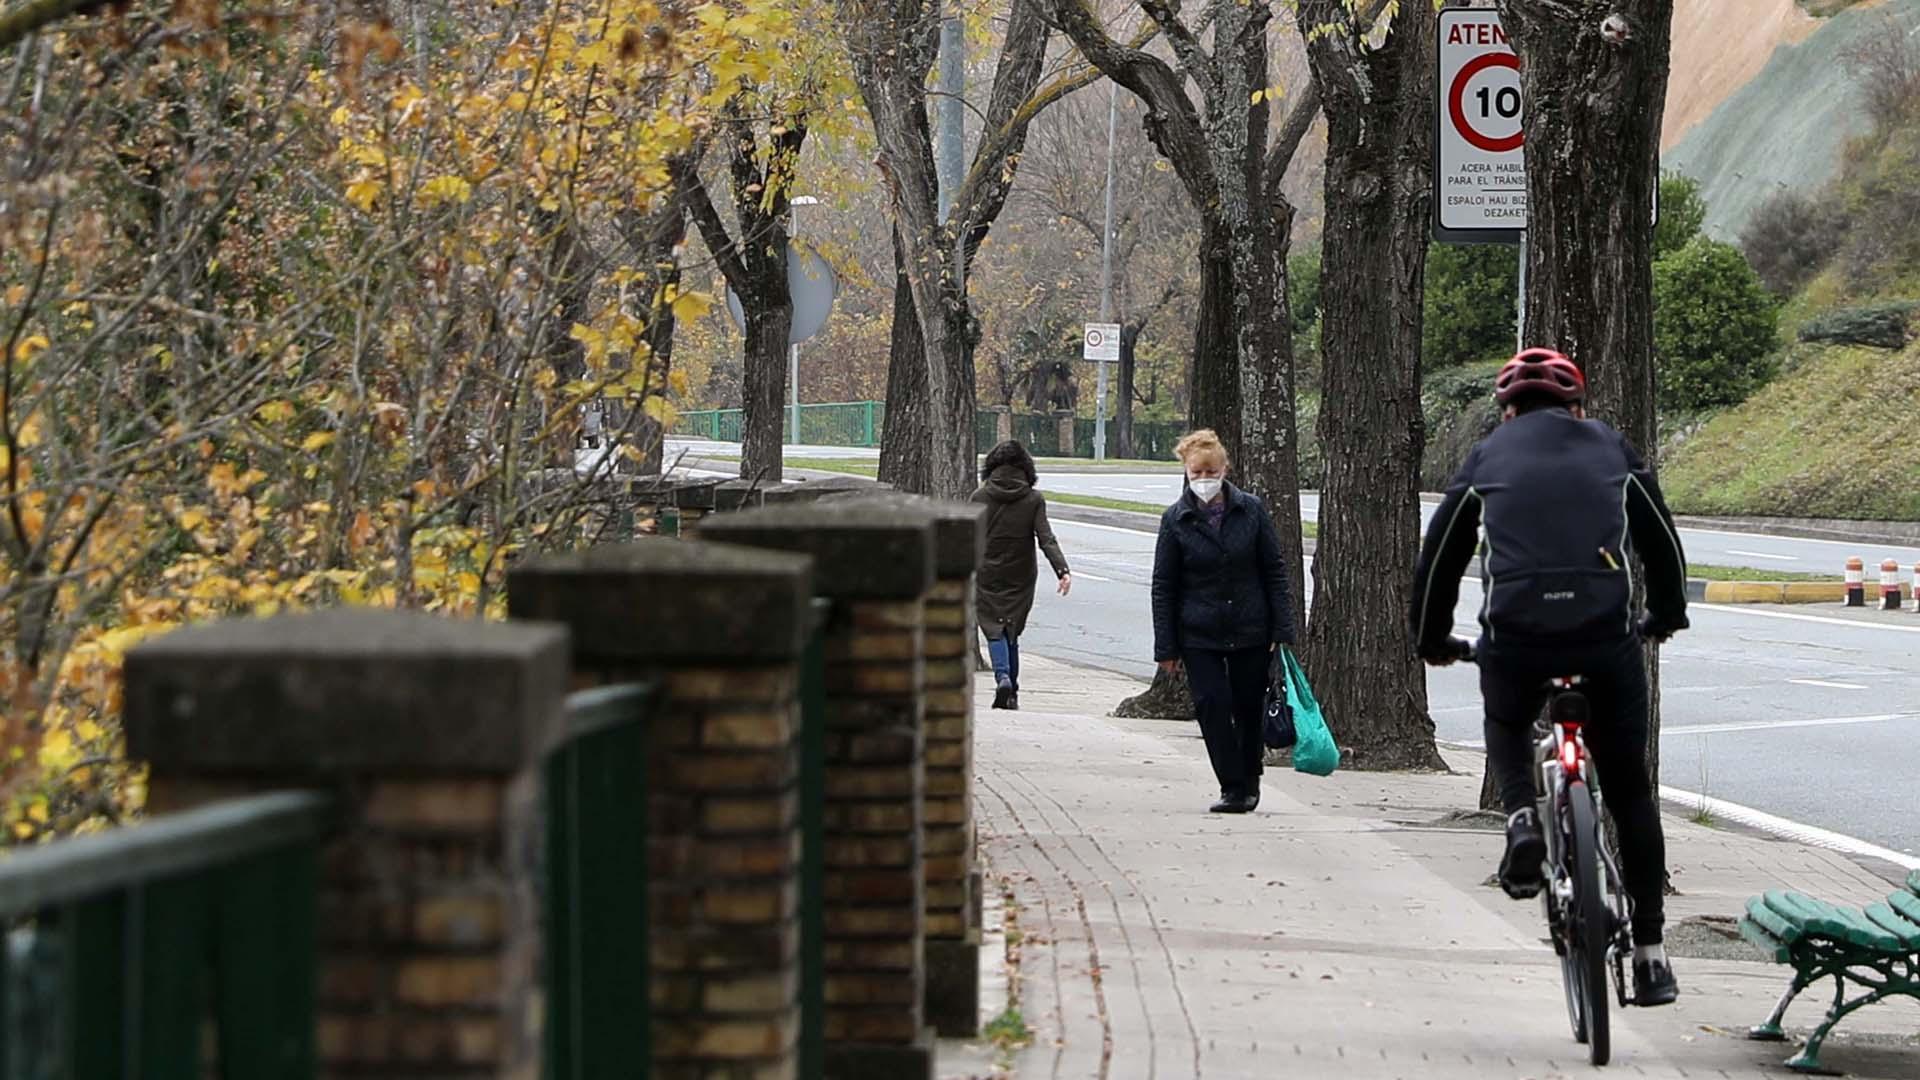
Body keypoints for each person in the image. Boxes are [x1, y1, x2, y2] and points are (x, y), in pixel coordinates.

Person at [1410, 347, 1690, 1007]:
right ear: (1578, 407)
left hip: (1518, 637)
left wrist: (1433, 639)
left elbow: (1441, 555)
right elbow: (1660, 541)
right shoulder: (1612, 448)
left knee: (1507, 720)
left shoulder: (1487, 457)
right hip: (1603, 639)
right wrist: (1666, 615)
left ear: (1507, 412)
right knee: (1630, 793)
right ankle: (1651, 956)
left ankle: (1520, 822)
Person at [1150, 429, 1296, 814]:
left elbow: (1274, 571)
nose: (1204, 479)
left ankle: (1250, 778)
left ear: (1225, 469)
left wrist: (1281, 629)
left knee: (1248, 707)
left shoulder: (1251, 510)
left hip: (1250, 627)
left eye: (1210, 472)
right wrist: (1166, 647)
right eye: (1196, 473)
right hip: (1199, 632)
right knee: (1212, 704)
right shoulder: (1176, 519)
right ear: (1186, 472)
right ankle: (1232, 785)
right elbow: (1164, 586)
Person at [973, 440, 1071, 710]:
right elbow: (1046, 538)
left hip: (986, 571)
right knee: (1011, 629)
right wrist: (1062, 570)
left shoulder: (979, 497)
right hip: (1021, 573)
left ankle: (1003, 677)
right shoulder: (1033, 499)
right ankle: (1012, 692)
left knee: (992, 627)